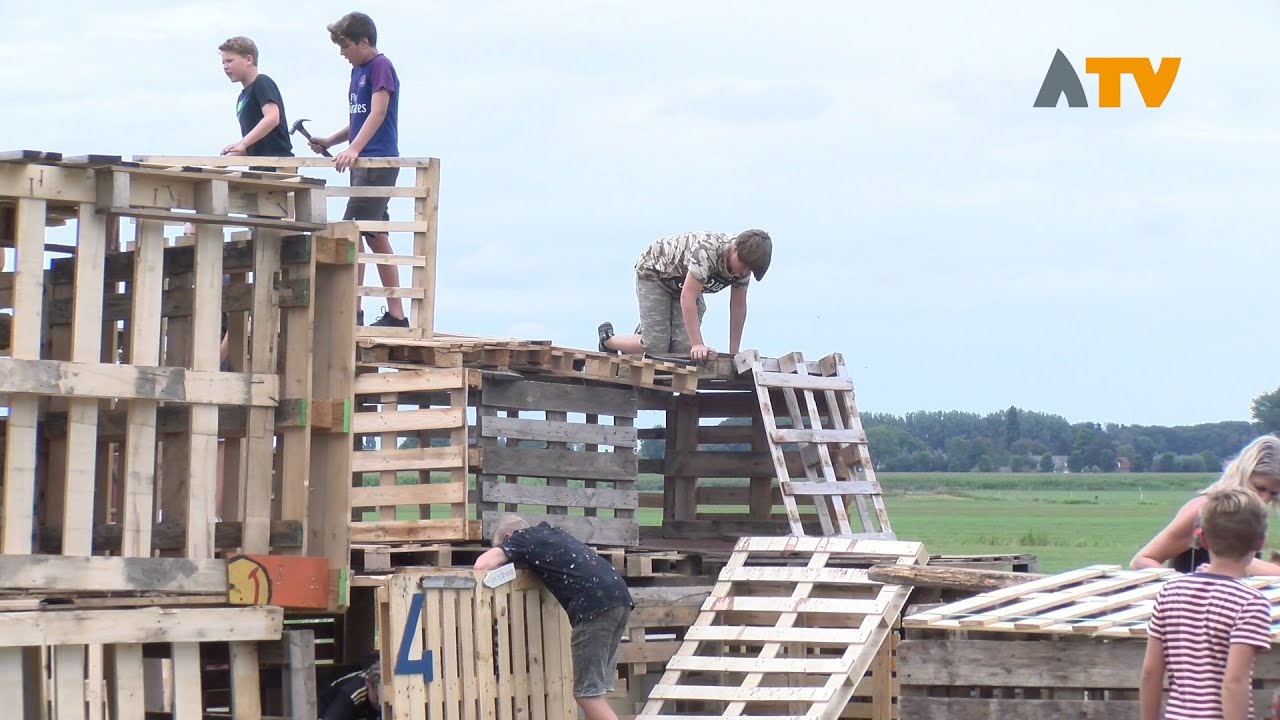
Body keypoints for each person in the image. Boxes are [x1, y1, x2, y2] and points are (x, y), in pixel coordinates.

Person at [474, 516, 633, 720]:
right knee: (595, 691)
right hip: (620, 599)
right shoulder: (552, 536)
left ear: (507, 538)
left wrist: (505, 561)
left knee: (587, 696)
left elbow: (482, 564)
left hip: (594, 606)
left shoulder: (522, 539)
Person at [308, 12, 408, 328]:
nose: (343, 53)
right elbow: (359, 119)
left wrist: (353, 149)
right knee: (376, 235)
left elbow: (378, 112)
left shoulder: (381, 67)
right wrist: (332, 139)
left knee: (352, 231)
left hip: (377, 161)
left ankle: (354, 309)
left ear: (364, 41)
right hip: (363, 162)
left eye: (346, 46)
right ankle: (396, 314)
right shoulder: (358, 71)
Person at [1139, 488, 1272, 720]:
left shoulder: (1171, 591)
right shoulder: (1250, 603)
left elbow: (1151, 673)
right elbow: (1234, 682)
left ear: (1202, 539)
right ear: (1260, 542)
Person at [598, 229, 772, 362]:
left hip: (684, 285)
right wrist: (698, 344)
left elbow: (738, 307)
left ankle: (650, 329)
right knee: (656, 347)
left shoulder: (744, 269)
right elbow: (688, 298)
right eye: (743, 266)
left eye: (749, 270)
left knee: (681, 351)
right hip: (656, 273)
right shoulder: (708, 251)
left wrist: (734, 353)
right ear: (734, 250)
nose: (743, 272)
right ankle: (608, 340)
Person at [1131, 434, 1280, 574]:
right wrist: (1185, 584)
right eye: (1260, 488)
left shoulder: (1250, 513)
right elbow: (1142, 561)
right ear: (1244, 473)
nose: (1264, 500)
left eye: (1273, 494)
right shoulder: (1203, 509)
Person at [216, 37, 293, 162]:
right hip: (258, 164)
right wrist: (228, 157)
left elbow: (272, 118)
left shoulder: (262, 82)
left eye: (229, 61)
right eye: (223, 63)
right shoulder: (242, 98)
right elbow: (256, 144)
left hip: (277, 165)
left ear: (248, 60)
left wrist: (242, 143)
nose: (225, 66)